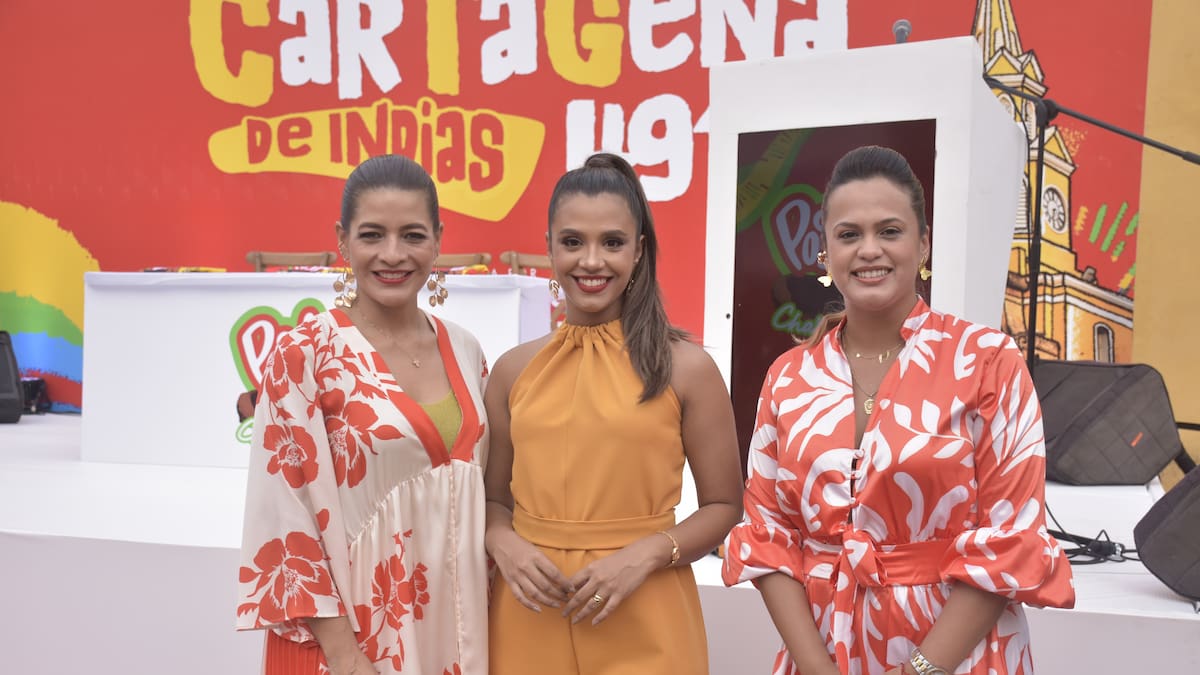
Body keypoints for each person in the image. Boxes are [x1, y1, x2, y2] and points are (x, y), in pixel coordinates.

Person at [723, 145, 1075, 675]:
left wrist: (919, 670)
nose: (869, 250)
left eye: (889, 231)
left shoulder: (987, 362)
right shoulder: (788, 377)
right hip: (822, 652)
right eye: (849, 235)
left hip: (960, 658)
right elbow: (767, 537)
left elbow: (1011, 541)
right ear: (826, 254)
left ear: (923, 244)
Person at [483, 152, 744, 674]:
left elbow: (724, 506)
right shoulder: (513, 370)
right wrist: (503, 543)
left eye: (613, 242)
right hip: (529, 613)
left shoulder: (687, 369)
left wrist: (643, 556)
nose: (591, 261)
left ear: (639, 250)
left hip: (646, 610)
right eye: (573, 242)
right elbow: (492, 500)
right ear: (550, 247)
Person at [236, 154, 490, 675]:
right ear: (342, 240)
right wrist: (348, 659)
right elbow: (284, 520)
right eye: (372, 234)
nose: (392, 254)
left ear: (438, 239)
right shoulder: (303, 354)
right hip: (351, 646)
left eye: (413, 235)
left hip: (453, 633)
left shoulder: (467, 350)